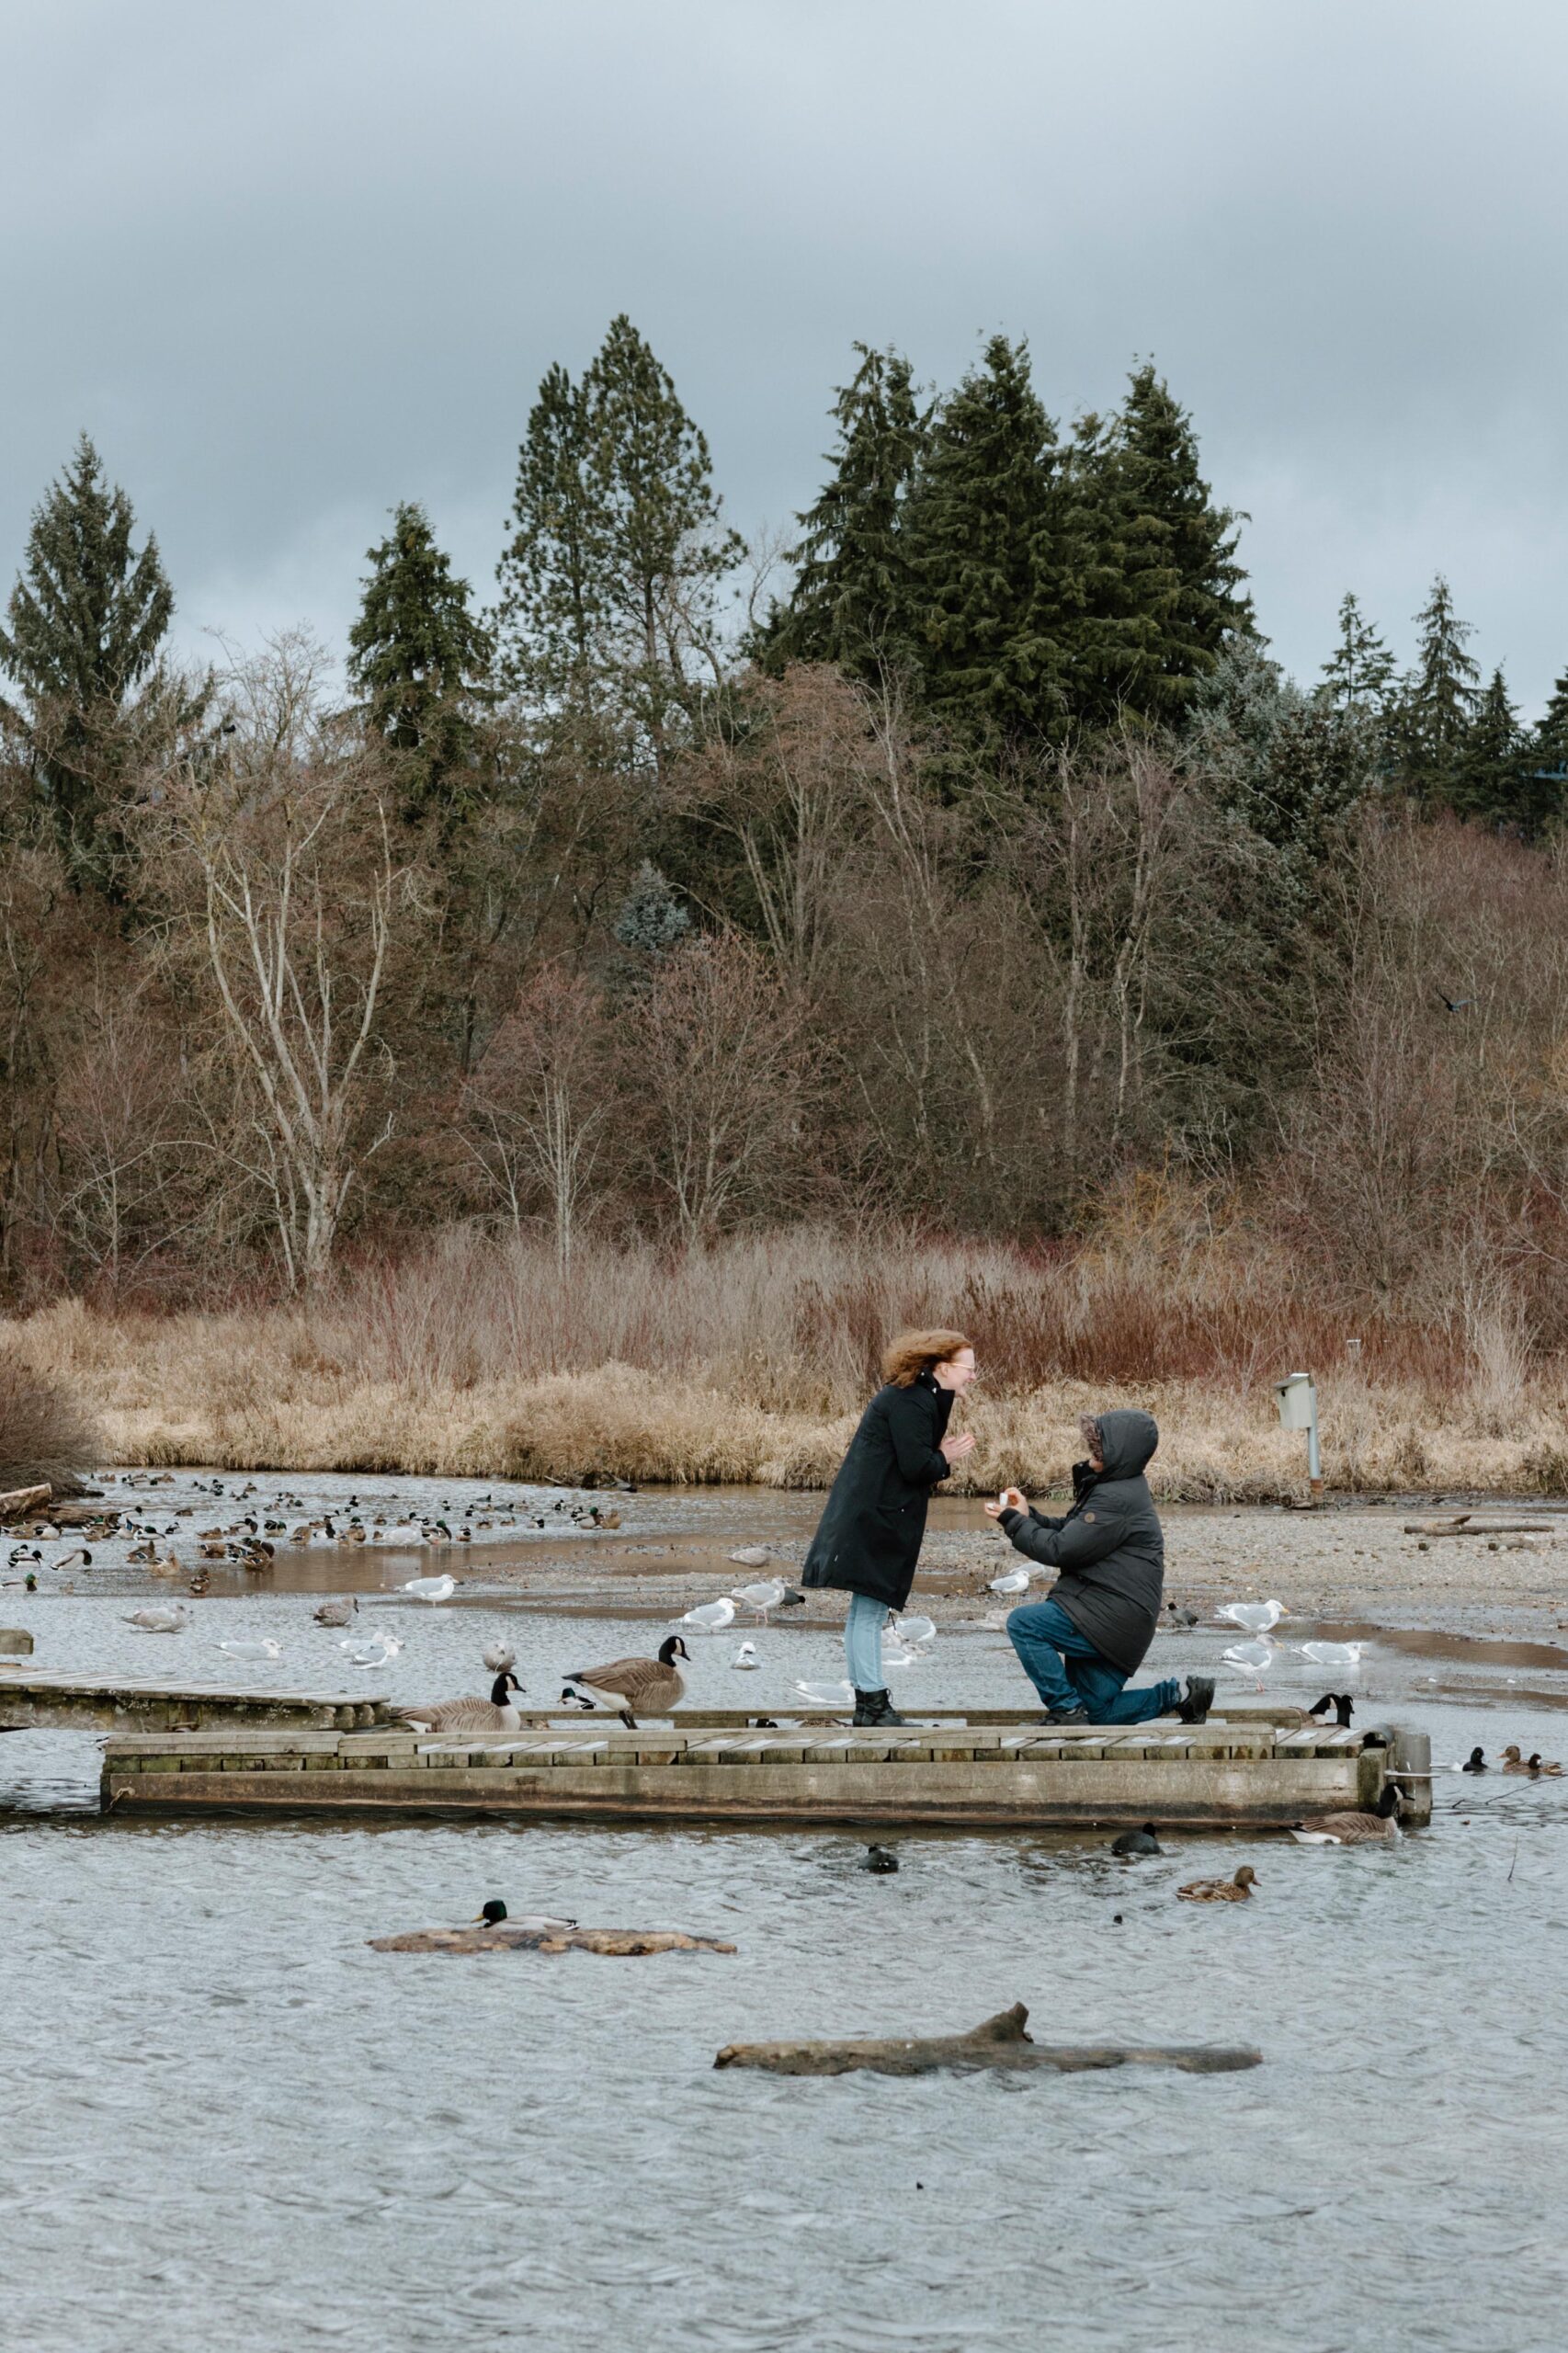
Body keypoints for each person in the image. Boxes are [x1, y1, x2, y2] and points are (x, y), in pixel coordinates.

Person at [984, 1409, 1214, 1727]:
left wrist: (1013, 1522)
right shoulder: (1118, 1487)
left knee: (1025, 1624)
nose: (1091, 1449)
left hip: (1109, 1616)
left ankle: (1065, 1710)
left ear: (1120, 1451)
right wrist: (1027, 1516)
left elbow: (1060, 1549)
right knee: (1097, 1713)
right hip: (1119, 1618)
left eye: (1098, 1444)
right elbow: (1072, 1531)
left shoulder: (1116, 1498)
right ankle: (1183, 1695)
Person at [802, 1328, 977, 1725]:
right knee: (868, 1614)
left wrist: (947, 1398)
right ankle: (874, 1708)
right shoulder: (913, 1401)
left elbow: (919, 1447)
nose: (972, 1377)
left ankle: (869, 1705)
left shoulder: (917, 1394)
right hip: (876, 1519)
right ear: (943, 1366)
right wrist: (945, 1457)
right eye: (969, 1369)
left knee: (864, 1612)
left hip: (871, 1513)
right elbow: (917, 1466)